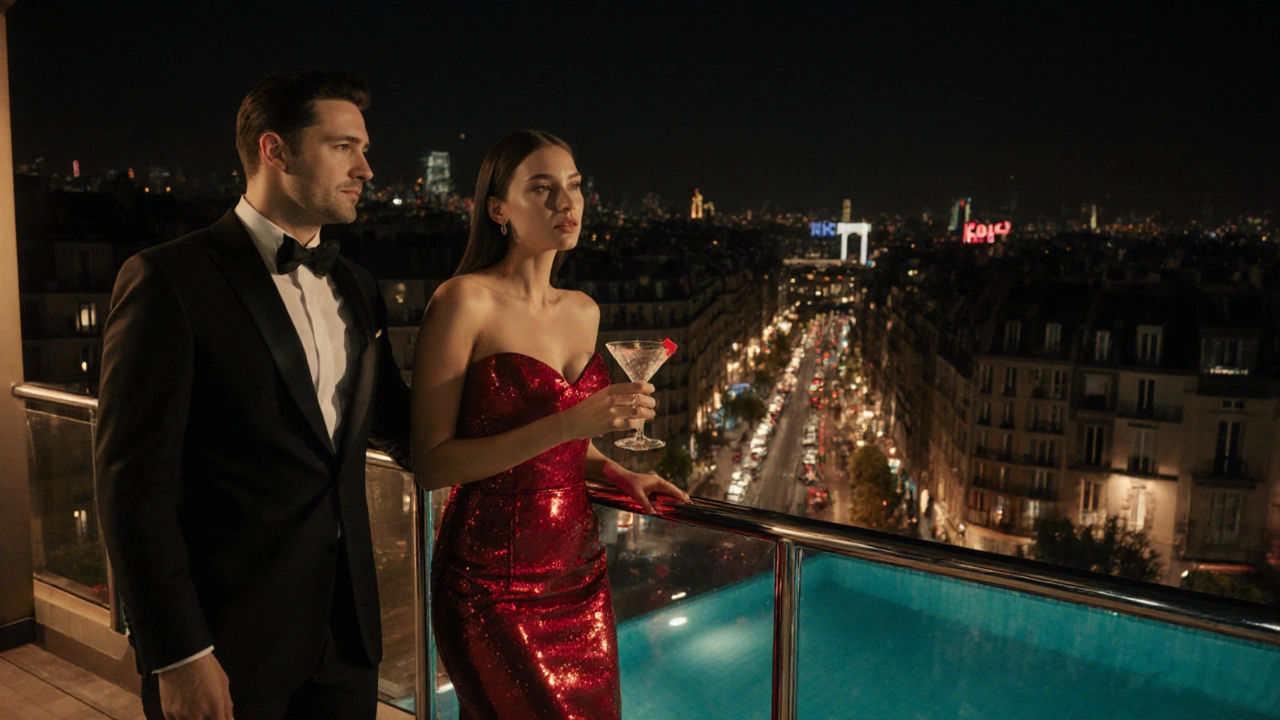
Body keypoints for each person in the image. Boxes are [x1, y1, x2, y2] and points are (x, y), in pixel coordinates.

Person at [95, 69, 411, 720]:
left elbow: (399, 425)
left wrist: (565, 439)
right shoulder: (168, 280)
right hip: (225, 645)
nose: (366, 169)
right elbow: (131, 491)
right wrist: (178, 654)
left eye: (364, 149)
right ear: (275, 150)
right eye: (343, 147)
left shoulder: (357, 284)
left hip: (347, 640)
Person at [411, 130, 688, 719]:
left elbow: (563, 448)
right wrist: (573, 422)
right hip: (489, 584)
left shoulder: (583, 310)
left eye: (574, 185)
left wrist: (618, 472)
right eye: (542, 188)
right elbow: (433, 464)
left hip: (579, 574)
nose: (567, 202)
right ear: (498, 210)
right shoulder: (463, 302)